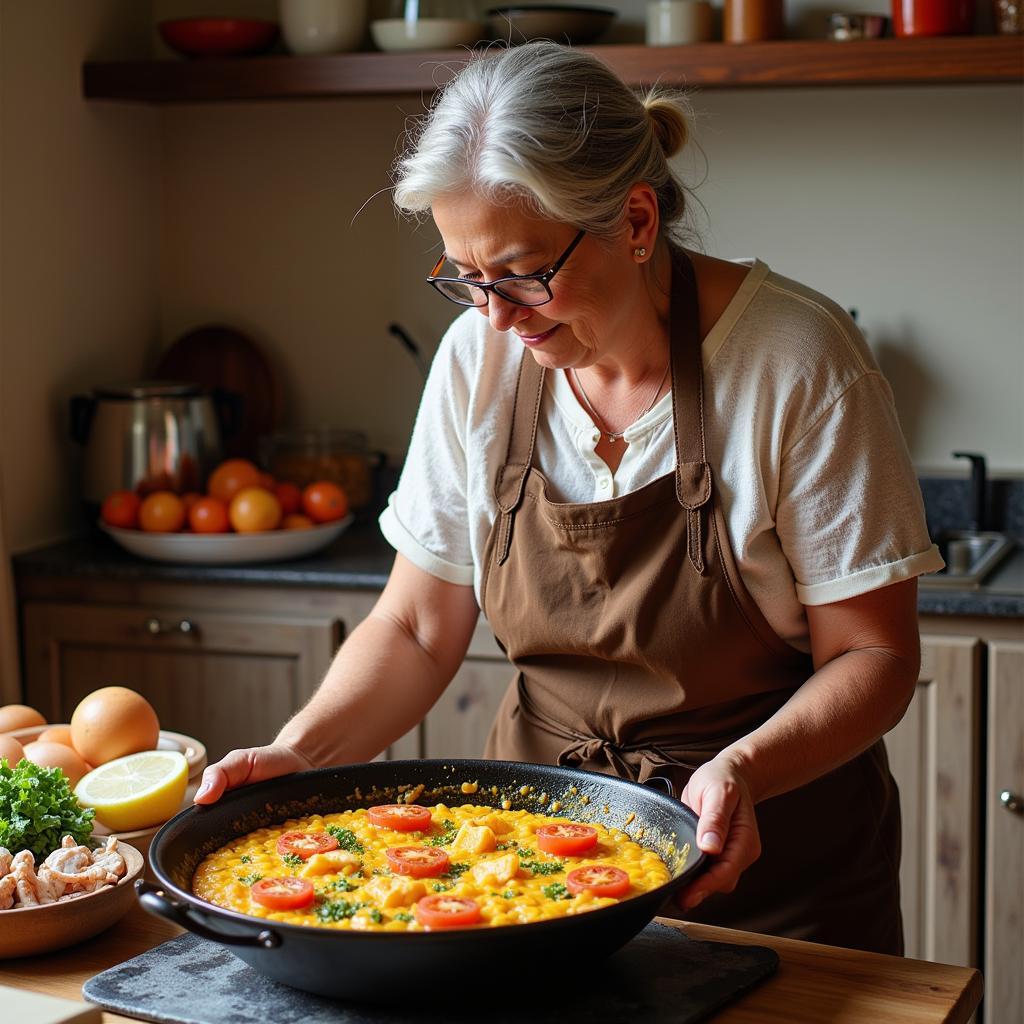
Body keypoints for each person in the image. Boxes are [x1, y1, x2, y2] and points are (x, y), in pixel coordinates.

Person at [194, 41, 943, 954]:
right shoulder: (480, 359)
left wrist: (740, 769)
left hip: (772, 876)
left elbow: (873, 653)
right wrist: (300, 753)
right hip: (539, 880)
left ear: (634, 221)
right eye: (464, 278)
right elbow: (419, 627)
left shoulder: (795, 361)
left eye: (520, 270)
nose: (495, 314)